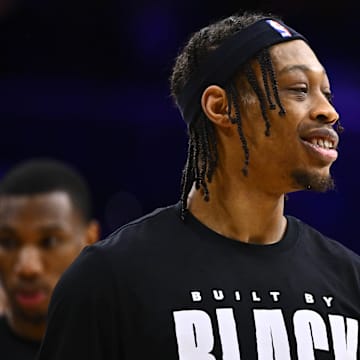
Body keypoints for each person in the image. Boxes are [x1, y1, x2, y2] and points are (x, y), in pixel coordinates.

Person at [37, 11, 360, 359]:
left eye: (326, 93)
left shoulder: (350, 280)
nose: (329, 111)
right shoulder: (108, 280)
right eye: (299, 89)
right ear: (221, 107)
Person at [0, 158, 100, 359]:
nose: (28, 268)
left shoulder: (133, 345)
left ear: (90, 239)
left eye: (49, 242)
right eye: (9, 242)